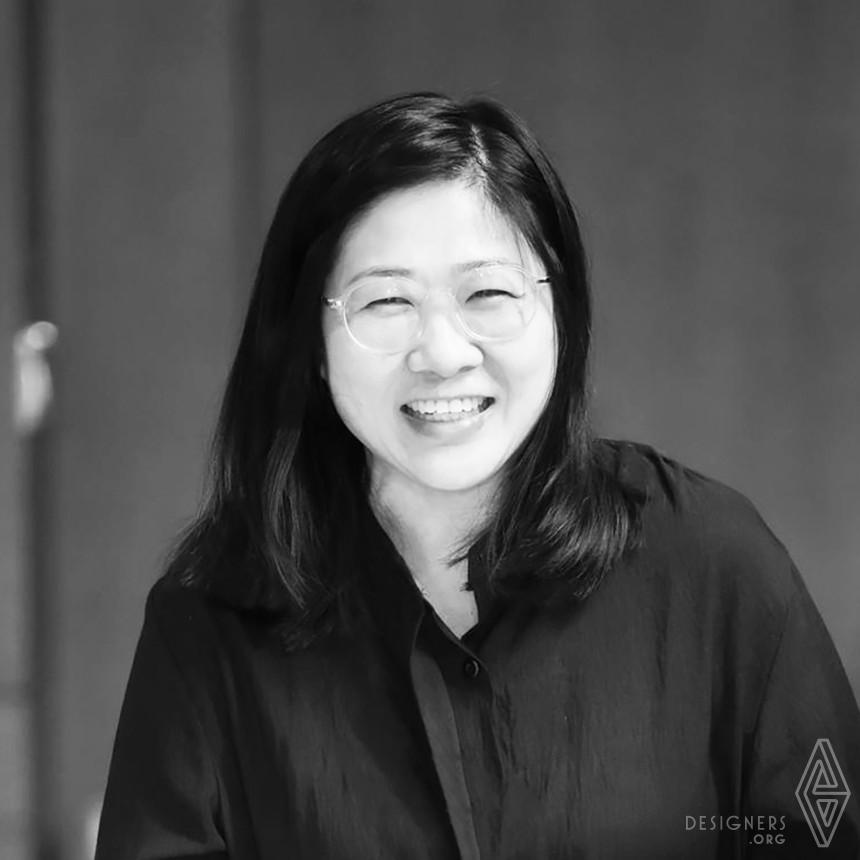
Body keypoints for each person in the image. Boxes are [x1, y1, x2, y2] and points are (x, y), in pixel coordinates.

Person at [95, 93, 860, 859]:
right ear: (309, 340)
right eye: (386, 300)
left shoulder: (711, 563)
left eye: (487, 292)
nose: (442, 353)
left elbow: (822, 831)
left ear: (562, 311)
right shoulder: (210, 618)